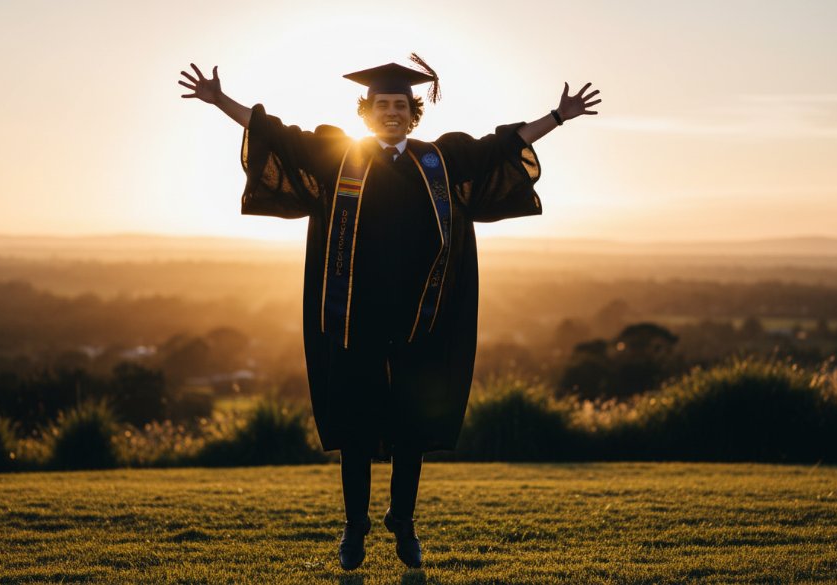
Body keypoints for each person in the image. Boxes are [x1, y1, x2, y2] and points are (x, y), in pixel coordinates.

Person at [178, 56, 600, 571]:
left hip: (420, 320)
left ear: (413, 112)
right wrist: (221, 101)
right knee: (355, 429)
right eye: (383, 105)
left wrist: (557, 117)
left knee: (410, 430)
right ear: (367, 112)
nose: (392, 113)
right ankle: (354, 528)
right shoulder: (337, 157)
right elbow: (278, 135)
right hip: (354, 320)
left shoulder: (439, 162)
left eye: (401, 105)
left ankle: (403, 522)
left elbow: (501, 148)